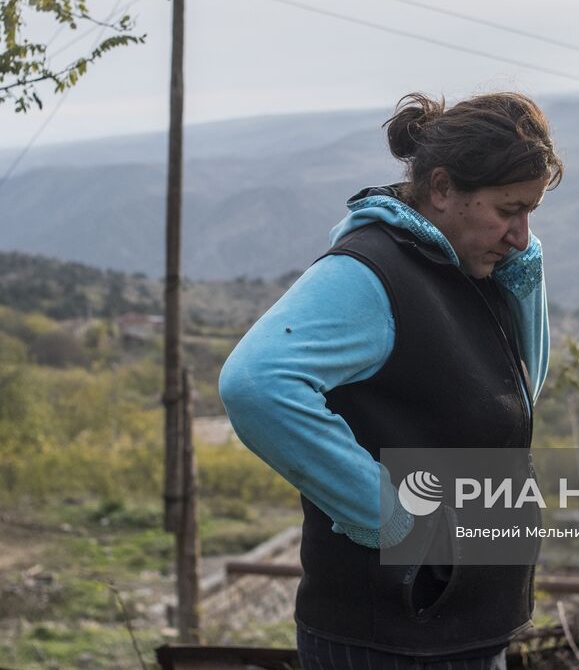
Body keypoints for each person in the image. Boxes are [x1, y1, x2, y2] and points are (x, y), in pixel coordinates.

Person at [220, 92, 561, 668]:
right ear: (442, 187)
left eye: (531, 211)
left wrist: (525, 282)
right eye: (507, 210)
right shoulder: (373, 274)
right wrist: (396, 520)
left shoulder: (471, 265)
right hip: (393, 640)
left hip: (465, 626)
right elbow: (257, 386)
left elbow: (517, 396)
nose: (521, 234)